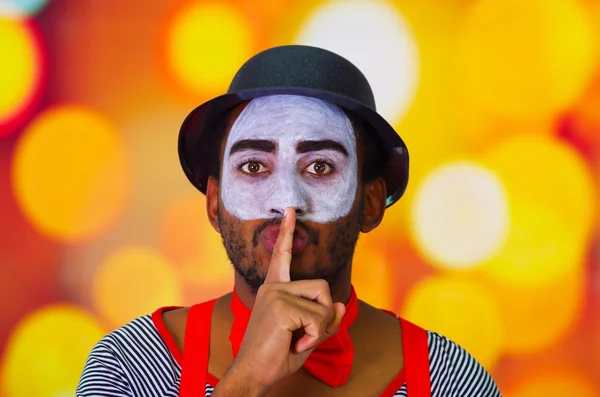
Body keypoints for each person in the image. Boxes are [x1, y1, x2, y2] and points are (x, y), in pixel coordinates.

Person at [76, 45, 501, 396]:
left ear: (370, 204)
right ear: (214, 202)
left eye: (319, 167)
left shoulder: (453, 381)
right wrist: (247, 380)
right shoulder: (127, 368)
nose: (286, 202)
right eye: (255, 167)